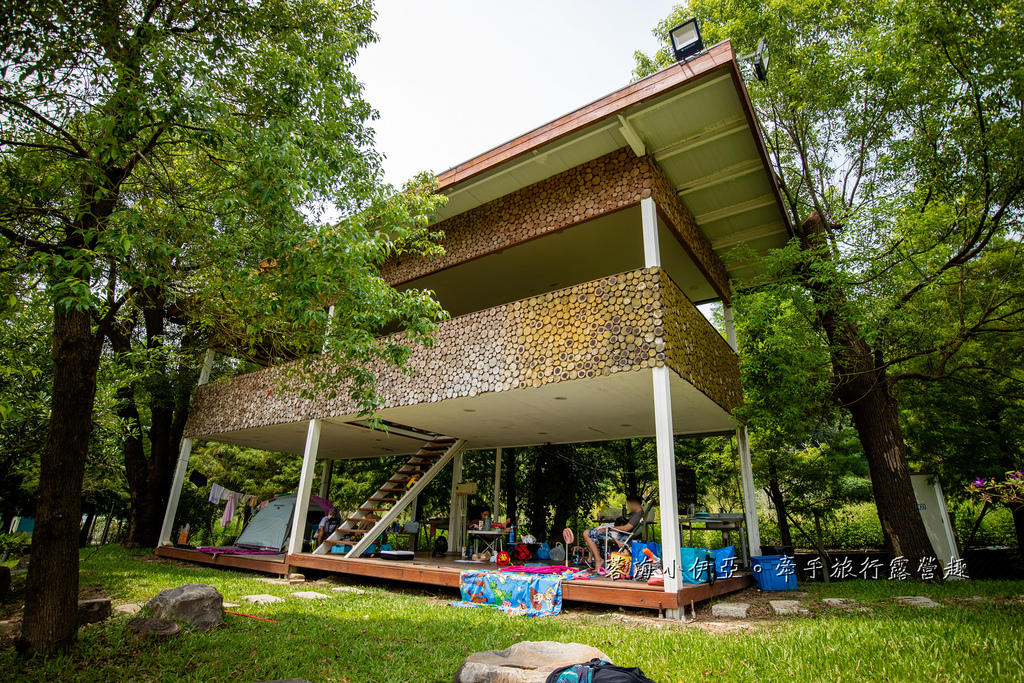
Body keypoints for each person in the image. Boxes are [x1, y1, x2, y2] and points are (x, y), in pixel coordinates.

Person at [584, 495, 644, 574]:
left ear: (634, 503)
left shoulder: (638, 514)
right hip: (618, 533)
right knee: (590, 534)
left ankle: (598, 560)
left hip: (620, 535)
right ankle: (596, 559)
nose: (629, 506)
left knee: (587, 533)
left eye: (629, 504)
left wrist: (609, 529)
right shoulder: (636, 514)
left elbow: (626, 528)